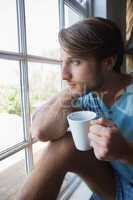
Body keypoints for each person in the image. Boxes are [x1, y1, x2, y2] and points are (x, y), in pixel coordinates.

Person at [18, 17, 133, 200]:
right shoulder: (87, 96)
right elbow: (40, 130)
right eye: (63, 62)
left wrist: (126, 152)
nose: (64, 75)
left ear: (108, 63)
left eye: (76, 62)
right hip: (117, 184)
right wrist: (69, 93)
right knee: (65, 145)